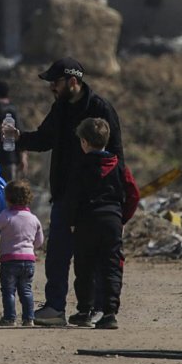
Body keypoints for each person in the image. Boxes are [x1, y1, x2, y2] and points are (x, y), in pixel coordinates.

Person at [3, 57, 123, 327]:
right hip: (65, 195)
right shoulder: (60, 108)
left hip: (95, 199)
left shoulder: (100, 108)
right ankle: (55, 307)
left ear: (72, 81)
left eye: (54, 83)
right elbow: (45, 139)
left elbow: (117, 157)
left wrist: (117, 198)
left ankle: (98, 310)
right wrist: (19, 137)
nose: (51, 88)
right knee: (58, 253)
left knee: (91, 257)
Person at [68, 118, 125, 330]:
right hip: (111, 221)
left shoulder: (80, 166)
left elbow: (73, 196)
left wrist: (71, 221)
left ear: (83, 142)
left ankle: (84, 310)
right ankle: (109, 312)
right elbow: (132, 193)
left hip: (86, 221)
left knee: (84, 267)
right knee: (111, 266)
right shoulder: (118, 165)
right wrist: (121, 217)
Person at [0, 180, 44, 327]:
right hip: (28, 260)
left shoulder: (6, 216)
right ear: (29, 198)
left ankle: (9, 318)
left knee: (9, 291)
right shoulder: (34, 219)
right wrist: (30, 248)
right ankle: (28, 319)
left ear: (6, 198)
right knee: (26, 290)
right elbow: (39, 242)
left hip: (9, 260)